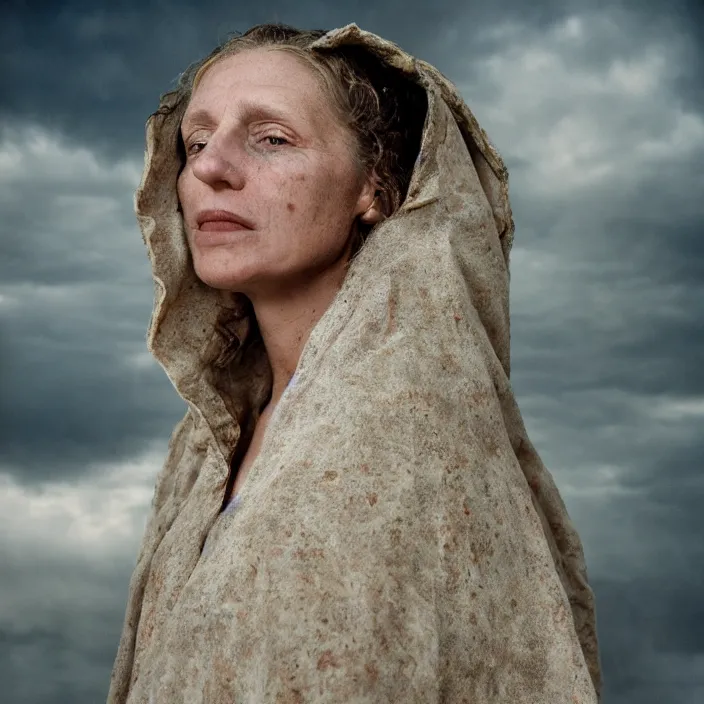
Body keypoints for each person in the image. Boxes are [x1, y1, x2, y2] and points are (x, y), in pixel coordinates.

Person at [109, 23, 602, 703]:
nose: (209, 168)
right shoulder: (204, 447)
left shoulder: (406, 428)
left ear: (373, 188)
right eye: (196, 142)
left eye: (271, 139)